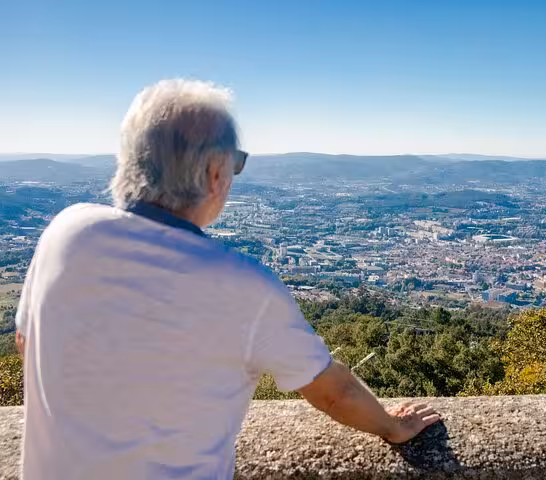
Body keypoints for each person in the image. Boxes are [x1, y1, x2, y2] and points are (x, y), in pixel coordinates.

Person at [14, 79, 439, 479]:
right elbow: (335, 394)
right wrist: (392, 427)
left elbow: (26, 343)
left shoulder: (65, 232)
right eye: (236, 164)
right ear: (216, 174)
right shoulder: (244, 287)